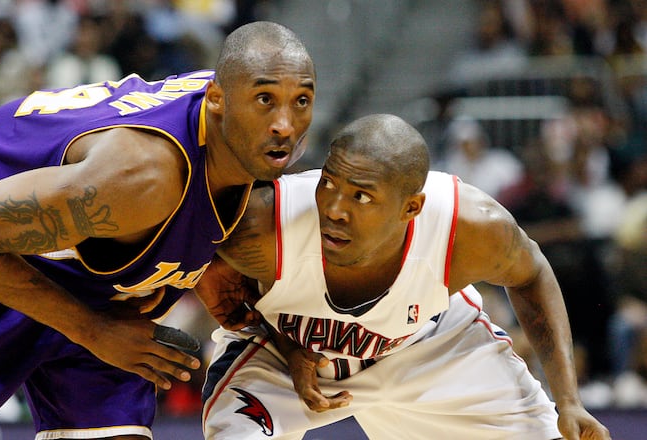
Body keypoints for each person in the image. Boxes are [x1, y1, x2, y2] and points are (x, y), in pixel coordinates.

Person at [0, 21, 315, 440]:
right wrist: (93, 331)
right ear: (217, 98)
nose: (285, 125)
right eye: (265, 100)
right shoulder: (143, 175)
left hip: (91, 275)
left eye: (302, 101)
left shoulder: (251, 135)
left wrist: (276, 340)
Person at [196, 114, 611, 439]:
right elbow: (197, 261)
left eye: (360, 195)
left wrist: (568, 400)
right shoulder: (266, 224)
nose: (335, 209)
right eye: (329, 184)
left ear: (410, 209)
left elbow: (531, 273)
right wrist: (286, 348)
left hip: (427, 349)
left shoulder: (467, 227)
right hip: (287, 355)